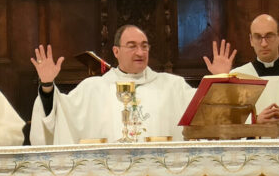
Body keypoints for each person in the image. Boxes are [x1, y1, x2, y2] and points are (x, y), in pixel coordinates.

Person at [30, 26, 235, 144]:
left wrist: (220, 80)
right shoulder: (93, 88)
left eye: (144, 46)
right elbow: (58, 115)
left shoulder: (172, 87)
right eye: (132, 46)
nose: (140, 52)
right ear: (116, 52)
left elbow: (208, 116)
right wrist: (47, 85)